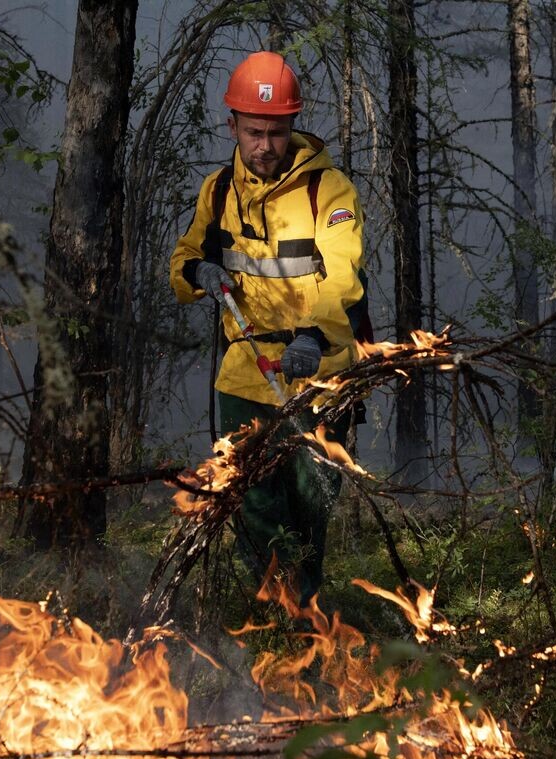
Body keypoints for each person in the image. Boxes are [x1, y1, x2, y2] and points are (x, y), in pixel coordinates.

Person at [169, 50, 368, 606]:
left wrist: (313, 334)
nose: (265, 146)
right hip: (243, 376)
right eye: (254, 132)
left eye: (276, 133)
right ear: (232, 125)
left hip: (318, 374)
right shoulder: (217, 193)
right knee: (251, 501)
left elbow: (342, 275)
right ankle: (286, 614)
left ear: (292, 127)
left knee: (310, 504)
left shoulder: (328, 192)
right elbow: (183, 262)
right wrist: (198, 270)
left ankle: (307, 614)